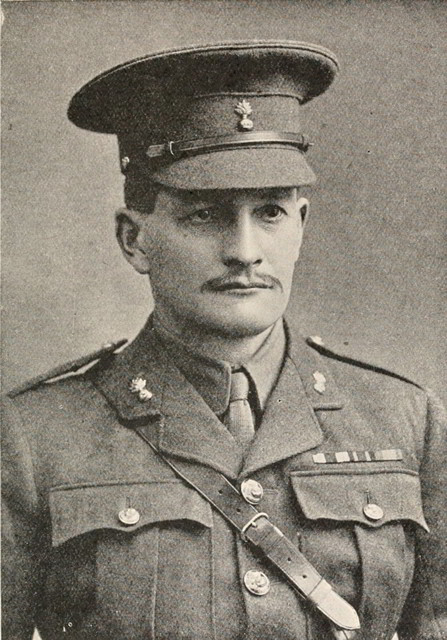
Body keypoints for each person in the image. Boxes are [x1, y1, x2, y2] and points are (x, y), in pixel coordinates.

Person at [2, 41, 446, 640]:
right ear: (134, 239)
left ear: (301, 225)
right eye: (205, 215)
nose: (245, 251)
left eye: (270, 213)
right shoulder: (35, 438)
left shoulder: (404, 420)